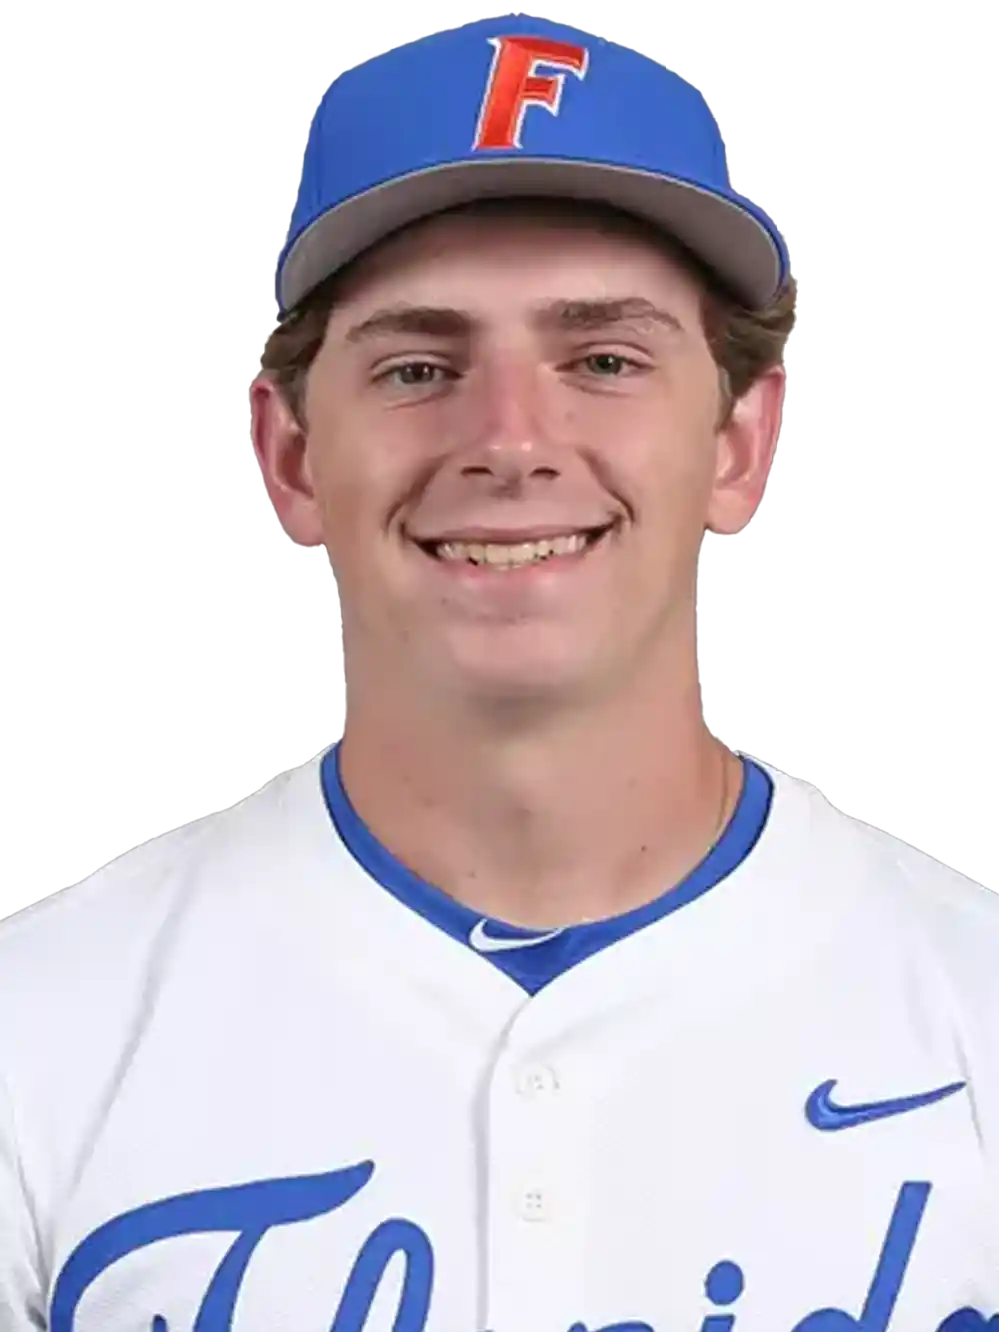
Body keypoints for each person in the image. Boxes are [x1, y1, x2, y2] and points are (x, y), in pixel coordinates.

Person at [0, 16, 994, 1332]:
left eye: (604, 361)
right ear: (292, 458)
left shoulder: (973, 1007)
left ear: (737, 448)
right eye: (419, 366)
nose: (512, 440)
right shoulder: (40, 1030)